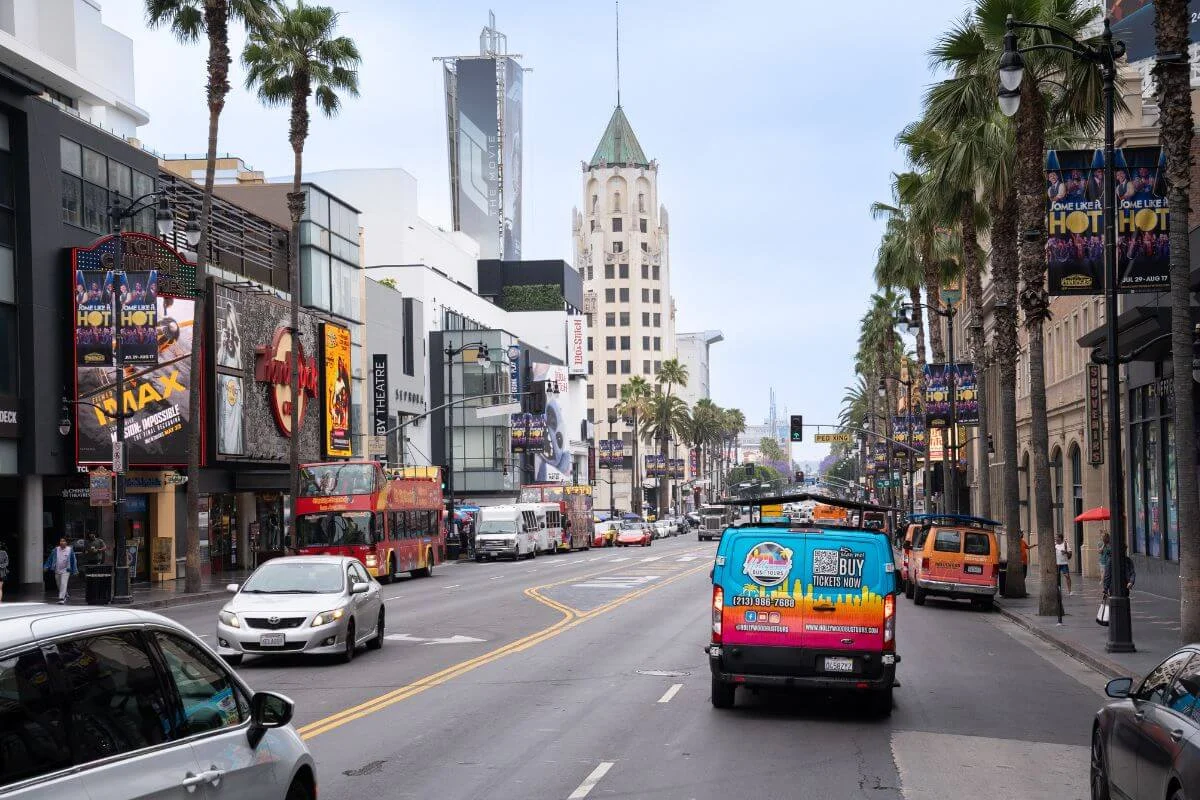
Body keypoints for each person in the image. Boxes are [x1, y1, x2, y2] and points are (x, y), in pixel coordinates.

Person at [44, 537, 78, 604]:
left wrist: (75, 570)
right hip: (57, 569)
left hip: (66, 570)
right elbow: (50, 559)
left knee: (63, 583)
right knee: (59, 584)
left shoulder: (70, 550)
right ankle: (65, 593)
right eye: (61, 541)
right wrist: (46, 566)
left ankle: (62, 598)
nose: (62, 542)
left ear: (66, 543)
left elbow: (73, 560)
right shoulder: (55, 550)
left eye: (63, 541)